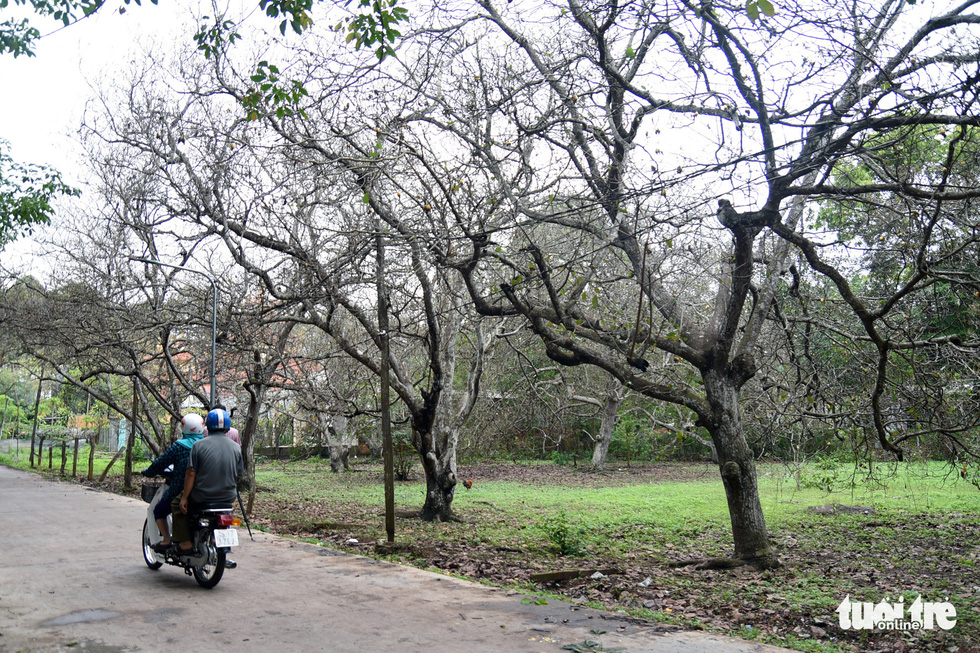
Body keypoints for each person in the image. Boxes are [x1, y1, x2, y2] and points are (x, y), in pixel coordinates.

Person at [172, 407, 244, 555]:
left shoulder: (198, 446)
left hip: (203, 496)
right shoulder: (236, 448)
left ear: (208, 427)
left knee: (176, 504)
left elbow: (191, 473)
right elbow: (239, 473)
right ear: (227, 427)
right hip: (228, 496)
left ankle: (185, 543)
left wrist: (184, 497)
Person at [141, 413, 206, 552]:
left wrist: (148, 472)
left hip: (180, 489)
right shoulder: (206, 445)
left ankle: (166, 540)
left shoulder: (179, 447)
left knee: (159, 510)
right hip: (204, 491)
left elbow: (160, 463)